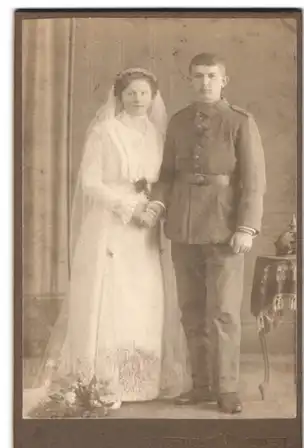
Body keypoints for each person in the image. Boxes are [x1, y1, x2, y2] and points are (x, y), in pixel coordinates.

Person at [28, 67, 190, 411]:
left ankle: (140, 381)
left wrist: (152, 209)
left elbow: (164, 180)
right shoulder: (105, 132)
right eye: (131, 93)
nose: (137, 99)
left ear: (153, 97)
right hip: (110, 225)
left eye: (144, 93)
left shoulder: (158, 135)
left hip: (145, 229)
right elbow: (91, 182)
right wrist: (127, 206)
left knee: (143, 297)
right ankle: (102, 379)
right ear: (119, 96)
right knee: (110, 296)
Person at [142, 53, 266, 414]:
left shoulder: (240, 121)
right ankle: (201, 386)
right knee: (192, 310)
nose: (205, 83)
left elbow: (254, 182)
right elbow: (165, 175)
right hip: (182, 228)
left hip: (226, 230)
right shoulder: (178, 122)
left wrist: (246, 227)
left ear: (224, 80)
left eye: (212, 76)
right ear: (190, 80)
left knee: (224, 313)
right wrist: (157, 206)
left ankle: (227, 389)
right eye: (198, 76)